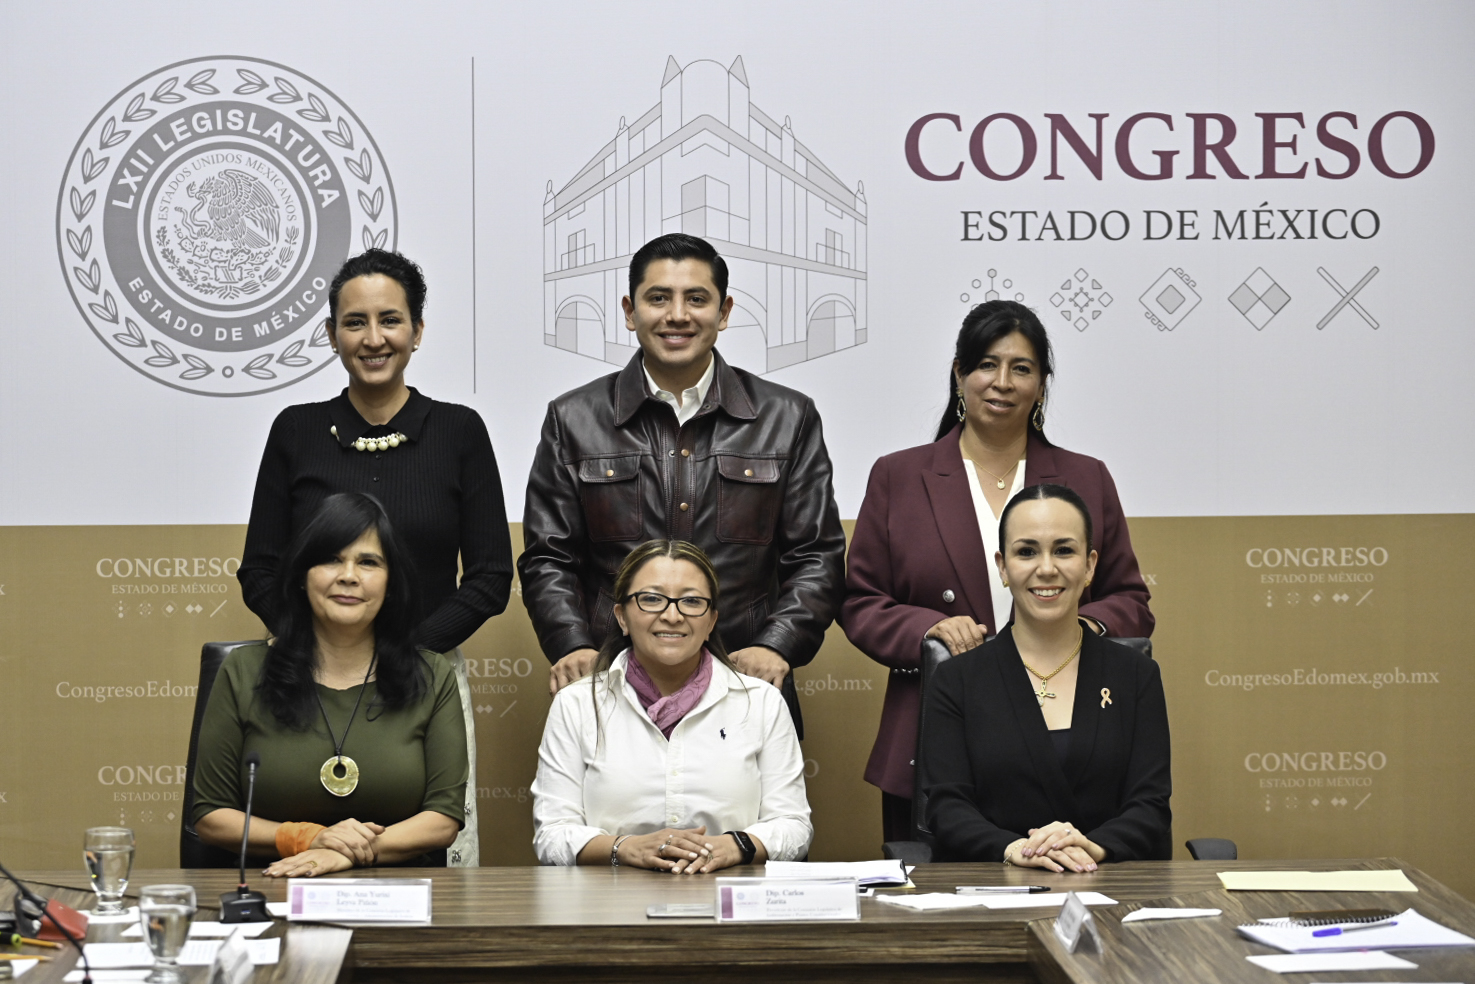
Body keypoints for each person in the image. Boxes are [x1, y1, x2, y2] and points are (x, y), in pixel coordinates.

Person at [842, 300, 1153, 842]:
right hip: (933, 736)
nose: (1002, 382)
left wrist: (1082, 629)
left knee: (1074, 875)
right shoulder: (899, 476)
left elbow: (1129, 599)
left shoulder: (1087, 477)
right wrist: (928, 628)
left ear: (1041, 384)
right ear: (959, 374)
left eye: (1021, 368)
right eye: (987, 364)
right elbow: (860, 602)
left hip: (1071, 741)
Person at [238, 249, 512, 865]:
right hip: (311, 678)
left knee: (436, 862)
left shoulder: (459, 431)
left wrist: (405, 653)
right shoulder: (295, 430)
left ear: (417, 330)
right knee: (314, 849)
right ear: (332, 333)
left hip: (426, 677)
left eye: (390, 320)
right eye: (354, 322)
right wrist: (315, 648)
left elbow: (491, 577)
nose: (373, 338)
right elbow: (259, 570)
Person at [519, 233, 846, 736]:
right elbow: (549, 557)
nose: (677, 315)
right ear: (630, 311)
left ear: (724, 311)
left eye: (696, 298)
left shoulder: (787, 417)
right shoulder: (573, 418)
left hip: (747, 685)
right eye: (658, 298)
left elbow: (816, 555)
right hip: (610, 689)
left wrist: (776, 644)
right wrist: (573, 645)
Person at [195, 493, 469, 876]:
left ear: (391, 582)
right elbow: (210, 815)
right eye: (331, 559)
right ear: (301, 576)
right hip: (272, 886)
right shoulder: (244, 671)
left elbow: (442, 821)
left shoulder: (432, 675)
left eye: (368, 562)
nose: (349, 576)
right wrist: (309, 839)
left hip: (401, 894)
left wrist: (343, 854)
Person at [920, 484, 1171, 866]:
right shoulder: (956, 680)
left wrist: (1091, 847)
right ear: (1003, 567)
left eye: (1064, 550)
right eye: (1027, 552)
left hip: (1107, 882)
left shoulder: (1136, 675)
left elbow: (1150, 805)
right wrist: (1015, 850)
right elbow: (947, 808)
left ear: (1089, 565)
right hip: (994, 885)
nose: (1047, 568)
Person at [531, 539, 812, 869]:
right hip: (611, 896)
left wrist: (734, 846)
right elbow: (552, 835)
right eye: (651, 599)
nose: (672, 615)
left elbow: (793, 826)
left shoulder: (761, 702)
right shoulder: (576, 704)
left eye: (691, 601)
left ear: (711, 621)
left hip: (732, 894)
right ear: (621, 617)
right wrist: (626, 848)